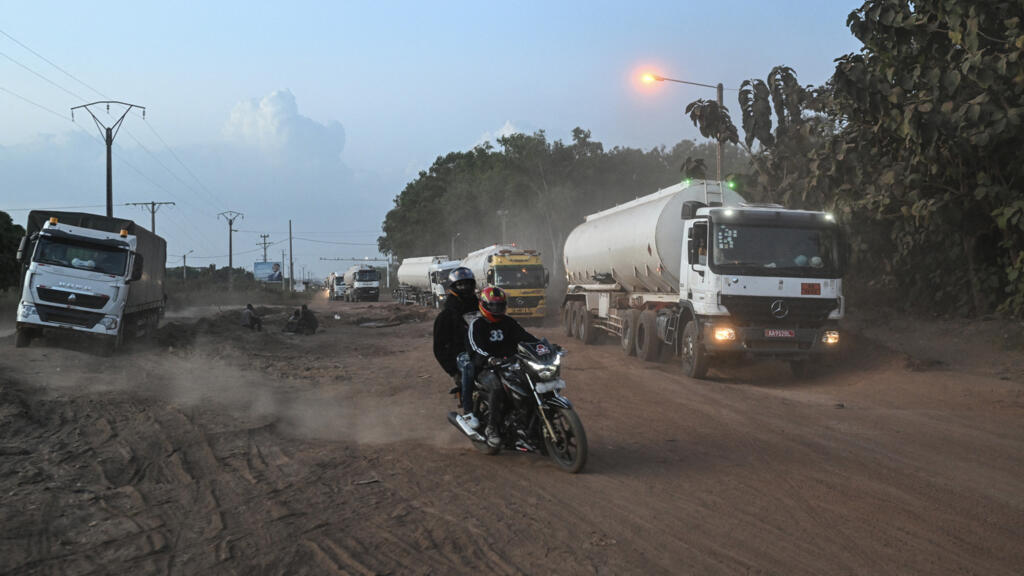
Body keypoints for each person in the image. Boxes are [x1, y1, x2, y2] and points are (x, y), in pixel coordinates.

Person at [467, 286, 539, 447]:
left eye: (500, 305)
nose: (497, 309)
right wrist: (489, 359)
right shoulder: (477, 325)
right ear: (484, 305)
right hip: (486, 368)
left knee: (531, 384)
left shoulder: (508, 322)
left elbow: (526, 337)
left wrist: (543, 346)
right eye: (493, 305)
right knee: (497, 388)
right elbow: (475, 348)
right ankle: (492, 428)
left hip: (510, 365)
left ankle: (529, 424)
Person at [432, 267, 480, 435]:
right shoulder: (447, 315)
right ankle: (468, 412)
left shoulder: (483, 308)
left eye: (467, 284)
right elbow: (439, 347)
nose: (465, 288)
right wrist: (453, 371)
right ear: (453, 287)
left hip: (485, 351)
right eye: (460, 285)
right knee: (468, 366)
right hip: (463, 355)